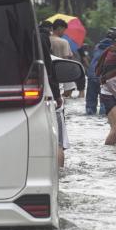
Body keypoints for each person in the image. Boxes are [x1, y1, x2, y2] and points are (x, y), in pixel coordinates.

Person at [39, 20, 69, 168]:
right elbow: (55, 73)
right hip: (52, 98)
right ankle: (60, 175)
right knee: (58, 142)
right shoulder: (54, 62)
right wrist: (59, 95)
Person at [85, 28, 116, 115]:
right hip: (104, 77)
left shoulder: (98, 45)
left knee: (90, 102)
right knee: (105, 103)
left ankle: (90, 112)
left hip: (92, 75)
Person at [49, 18, 76, 98]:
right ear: (59, 28)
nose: (64, 33)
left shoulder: (45, 39)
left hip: (49, 73)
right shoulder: (63, 42)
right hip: (62, 73)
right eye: (64, 30)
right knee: (68, 93)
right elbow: (66, 59)